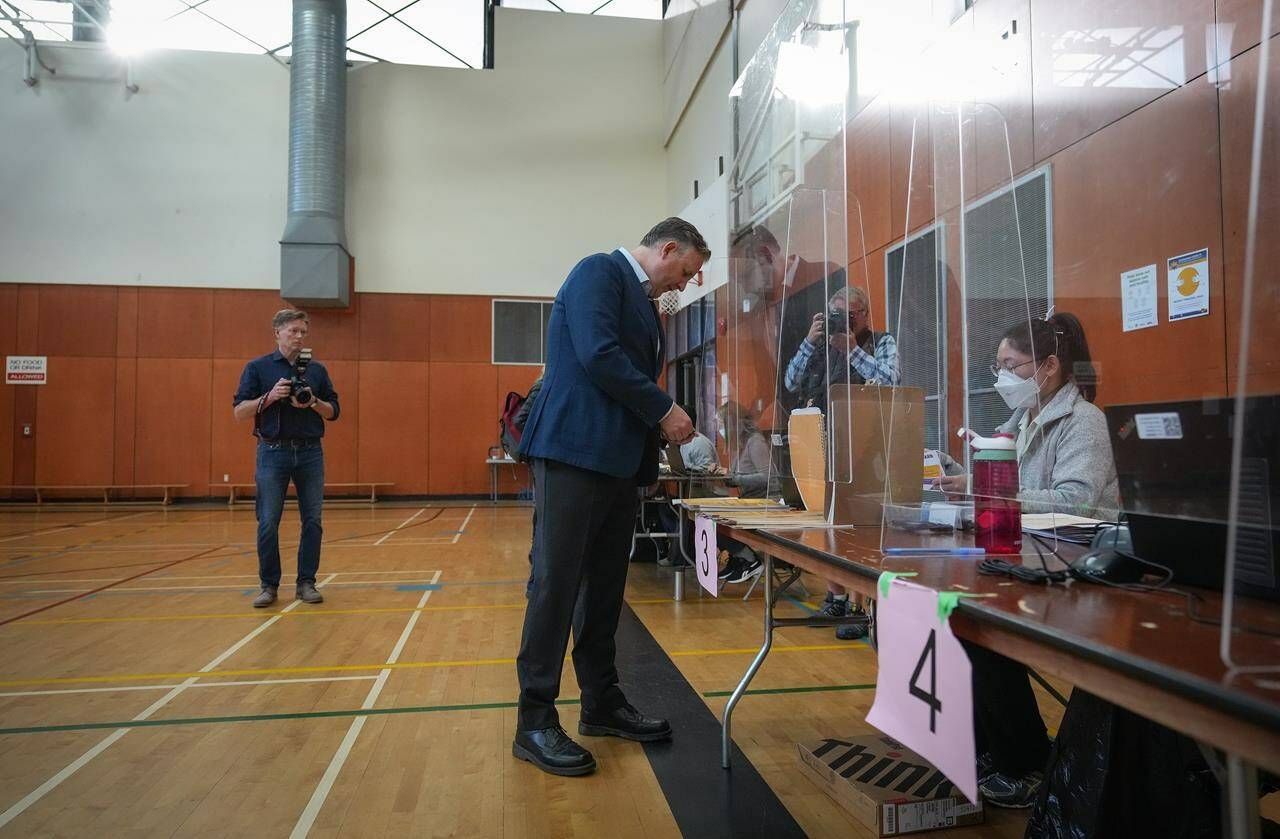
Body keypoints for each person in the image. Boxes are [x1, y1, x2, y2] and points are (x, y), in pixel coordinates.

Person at [512, 218, 708, 777]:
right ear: (667, 248)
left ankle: (600, 702)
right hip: (574, 453)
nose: (685, 284)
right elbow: (599, 356)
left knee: (604, 591)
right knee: (555, 584)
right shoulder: (600, 271)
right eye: (686, 271)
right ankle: (534, 721)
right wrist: (665, 409)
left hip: (616, 465)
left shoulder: (644, 303)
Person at [937, 312, 1119, 808]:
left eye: (1011, 366)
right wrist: (957, 473)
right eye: (999, 366)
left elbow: (1076, 501)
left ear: (1050, 366)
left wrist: (990, 490)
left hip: (1076, 564)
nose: (1001, 378)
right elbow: (1002, 490)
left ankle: (1026, 763)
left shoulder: (1085, 422)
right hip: (1028, 560)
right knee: (955, 620)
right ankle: (988, 749)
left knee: (985, 634)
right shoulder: (1021, 421)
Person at [784, 285, 901, 639]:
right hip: (823, 444)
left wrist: (851, 349)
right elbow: (791, 383)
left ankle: (858, 606)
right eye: (835, 314)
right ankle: (834, 597)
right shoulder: (818, 345)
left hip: (868, 448)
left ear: (864, 314)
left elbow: (891, 381)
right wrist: (809, 341)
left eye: (847, 316)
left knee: (859, 530)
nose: (841, 322)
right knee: (829, 525)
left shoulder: (881, 342)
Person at [233, 309, 340, 609]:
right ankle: (268, 586)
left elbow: (334, 412)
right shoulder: (257, 368)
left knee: (313, 521)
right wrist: (270, 397)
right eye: (293, 331)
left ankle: (306, 582)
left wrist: (313, 401)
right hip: (272, 452)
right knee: (267, 522)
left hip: (310, 452)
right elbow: (239, 412)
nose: (299, 336)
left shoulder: (316, 371)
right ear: (277, 332)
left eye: (303, 332)